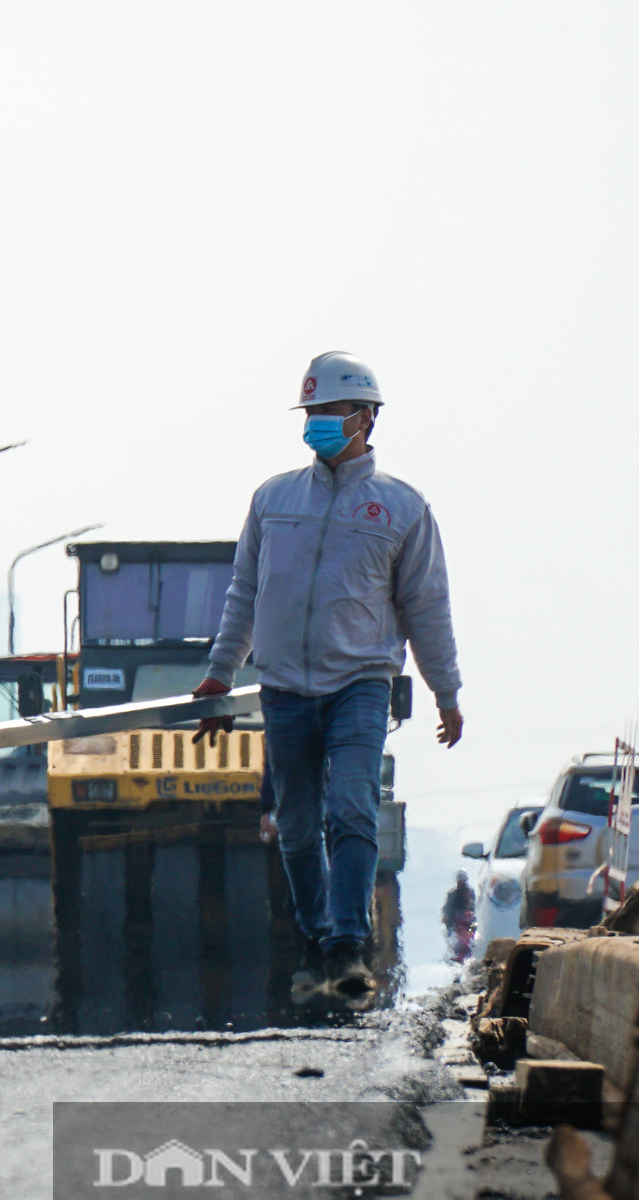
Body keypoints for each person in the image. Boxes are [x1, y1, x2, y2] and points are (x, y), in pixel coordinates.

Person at [194, 351, 462, 1000]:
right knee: (294, 824)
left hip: (360, 686)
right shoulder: (273, 501)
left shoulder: (402, 509)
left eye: (331, 412)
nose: (317, 424)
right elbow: (244, 594)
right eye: (311, 412)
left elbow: (427, 607)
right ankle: (317, 942)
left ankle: (347, 943)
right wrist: (218, 674)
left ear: (366, 418)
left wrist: (446, 692)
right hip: (285, 688)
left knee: (350, 807)